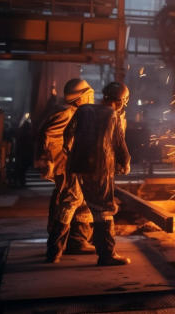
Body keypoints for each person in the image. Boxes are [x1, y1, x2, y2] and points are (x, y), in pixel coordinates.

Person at [53, 82, 132, 266]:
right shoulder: (112, 115)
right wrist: (125, 163)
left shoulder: (83, 109)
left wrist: (71, 153)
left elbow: (68, 135)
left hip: (76, 166)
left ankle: (53, 252)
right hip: (99, 168)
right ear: (121, 101)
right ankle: (107, 255)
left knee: (69, 204)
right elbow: (119, 144)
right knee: (103, 209)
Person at [39, 79, 96, 261]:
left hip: (76, 166)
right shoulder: (66, 113)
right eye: (89, 94)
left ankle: (77, 241)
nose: (92, 98)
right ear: (80, 97)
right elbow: (49, 138)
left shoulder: (77, 113)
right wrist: (56, 162)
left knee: (83, 201)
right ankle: (55, 248)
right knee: (71, 201)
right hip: (68, 167)